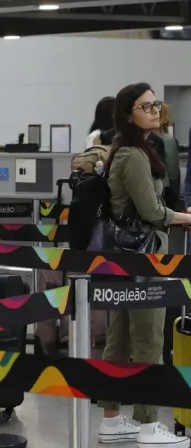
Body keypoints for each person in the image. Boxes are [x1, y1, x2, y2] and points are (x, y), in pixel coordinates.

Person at [96, 83, 191, 448]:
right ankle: (149, 425)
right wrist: (183, 217)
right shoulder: (134, 155)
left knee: (118, 338)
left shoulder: (130, 151)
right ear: (127, 114)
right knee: (148, 337)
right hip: (145, 256)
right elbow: (151, 211)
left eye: (155, 104)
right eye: (145, 105)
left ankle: (112, 418)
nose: (154, 110)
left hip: (123, 255)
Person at [156, 102, 181, 211]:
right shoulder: (168, 140)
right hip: (165, 189)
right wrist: (175, 194)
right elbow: (173, 172)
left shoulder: (140, 139)